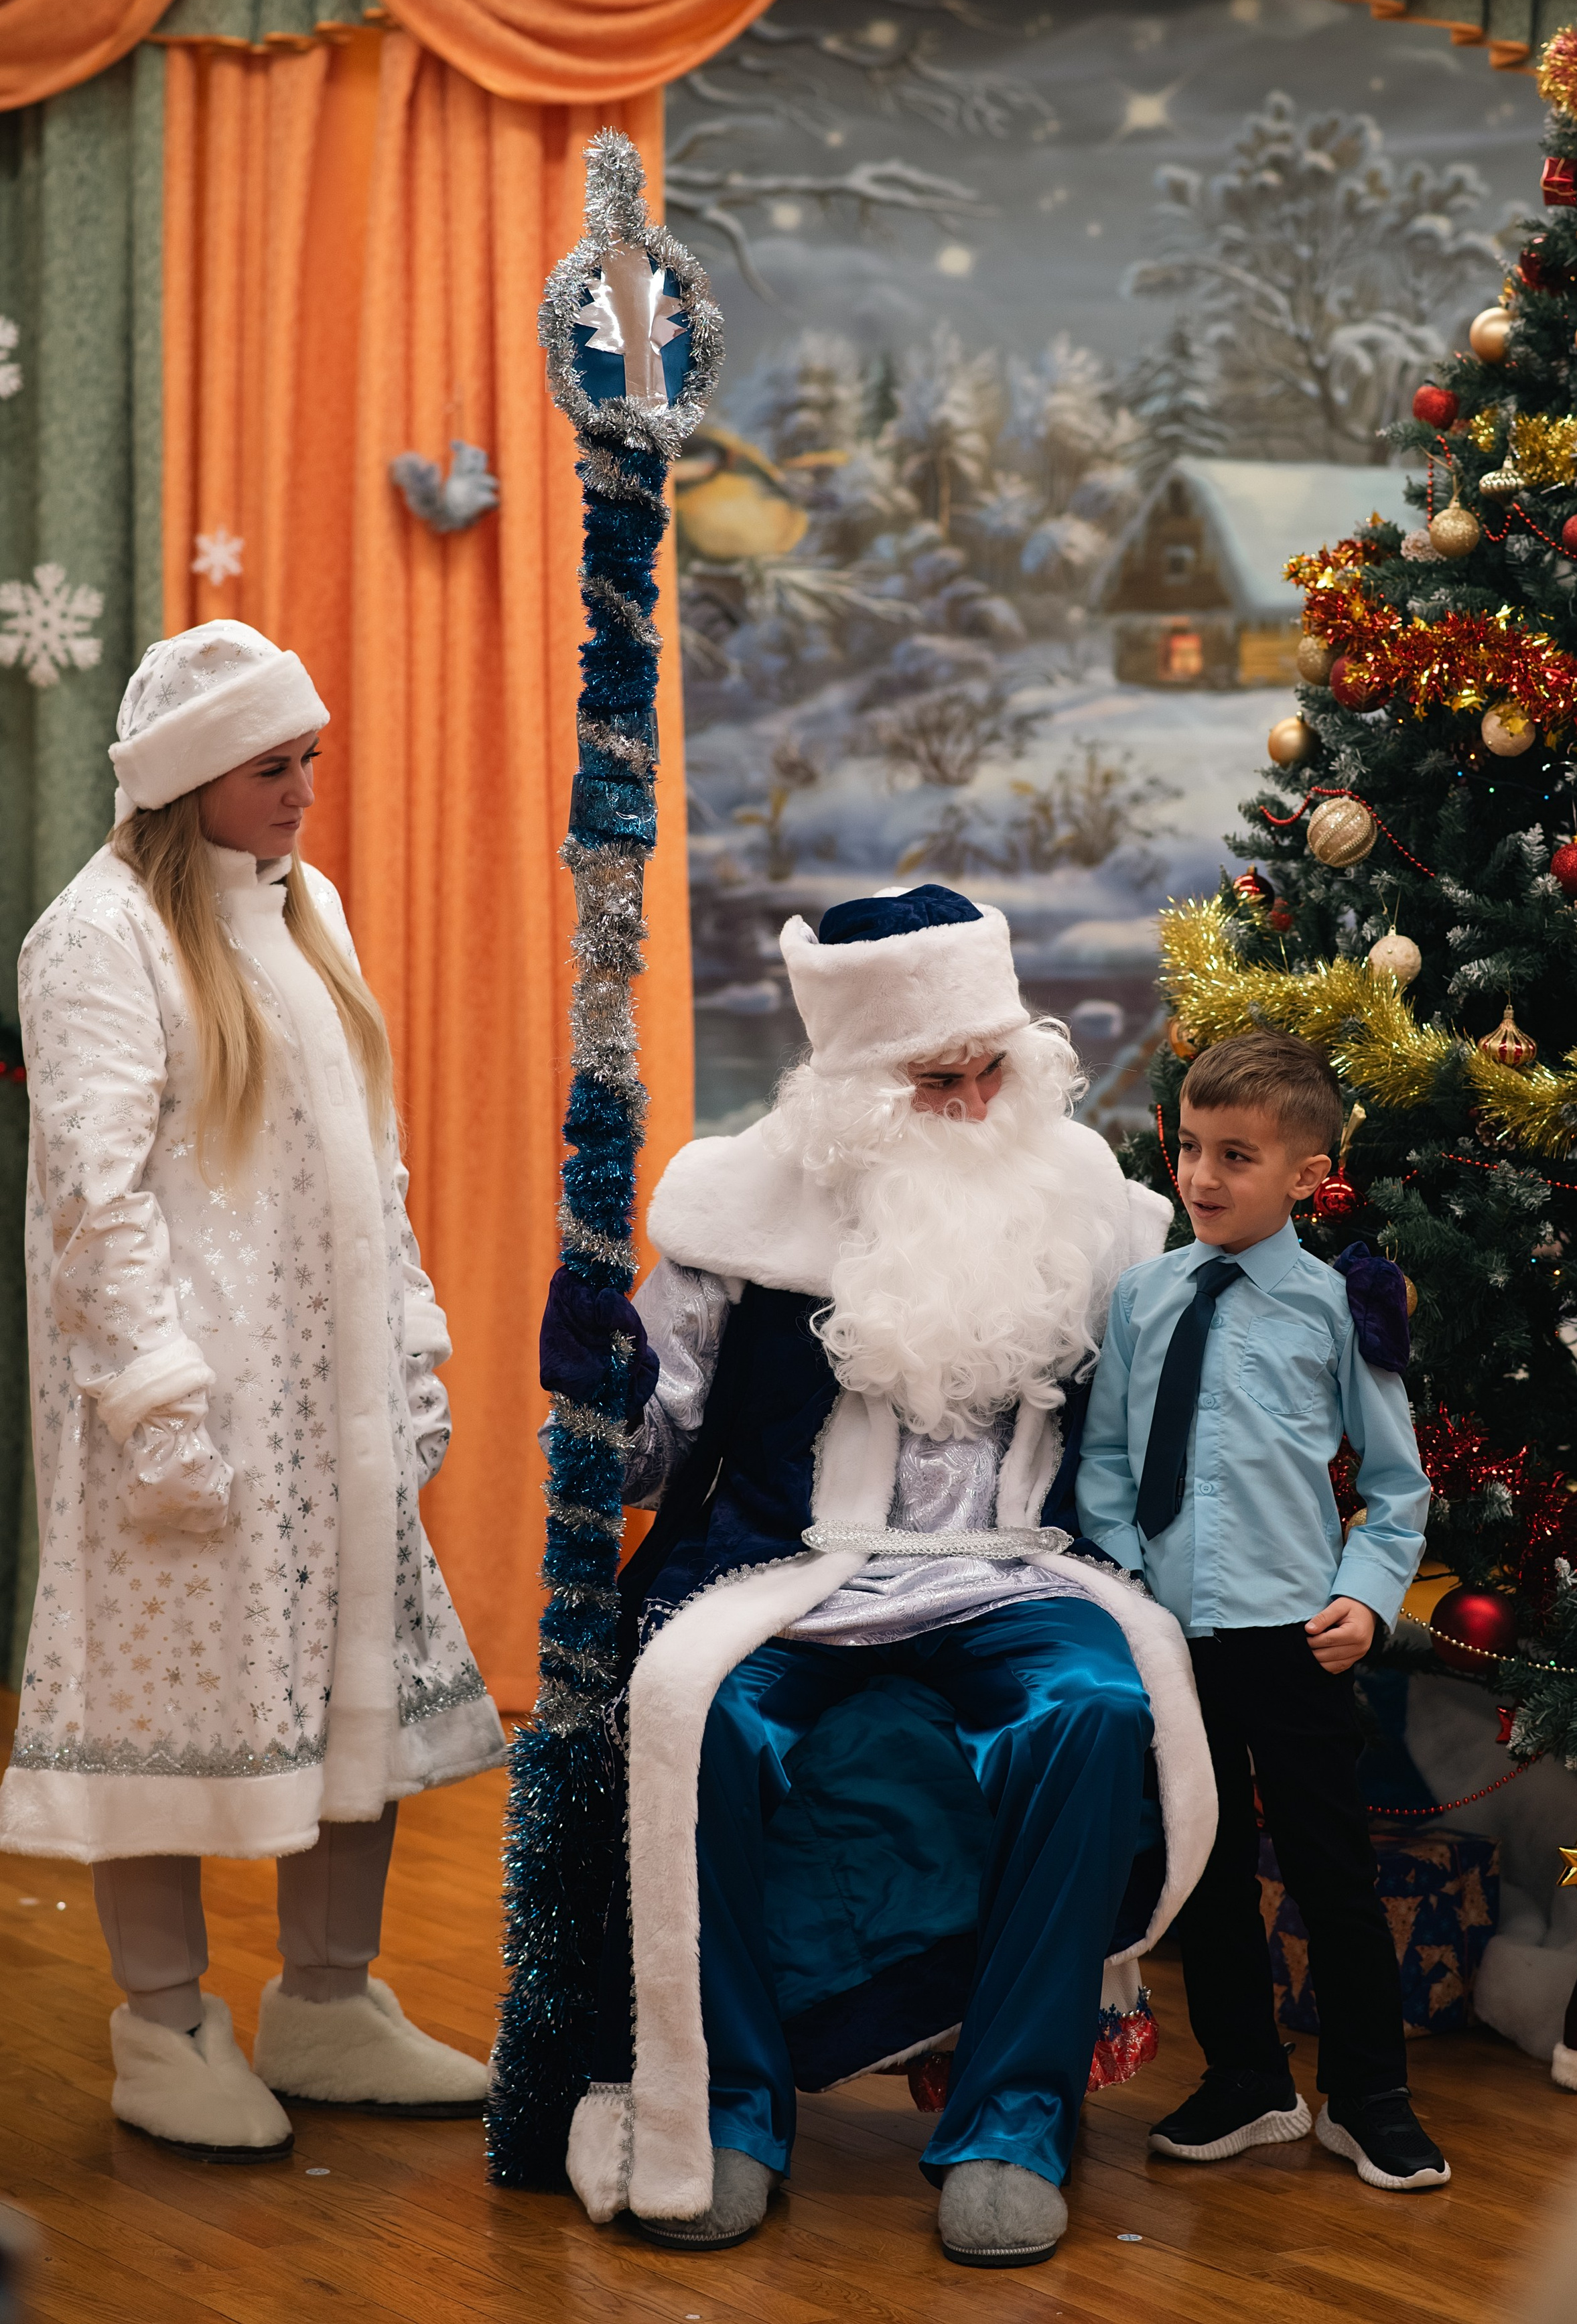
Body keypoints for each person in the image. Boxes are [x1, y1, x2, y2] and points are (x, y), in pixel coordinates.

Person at [541, 886, 1217, 2267]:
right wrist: (598, 1385)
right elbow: (644, 1461)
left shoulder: (1092, 1206)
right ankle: (728, 2107)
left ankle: (1011, 2119)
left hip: (1018, 1576)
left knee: (1092, 1715)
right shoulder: (737, 1214)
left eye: (990, 1065)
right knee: (701, 1719)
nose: (972, 1097)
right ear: (852, 1084)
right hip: (796, 1574)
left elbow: (1174, 1399)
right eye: (935, 1076)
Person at [0, 620, 507, 2160]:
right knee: (168, 1703)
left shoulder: (307, 911)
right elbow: (97, 1198)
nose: (302, 792)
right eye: (272, 767)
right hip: (187, 1414)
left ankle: (330, 1999)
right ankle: (162, 2022)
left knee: (354, 1682)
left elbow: (377, 1153)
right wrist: (158, 1398)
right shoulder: (98, 939)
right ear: (189, 782)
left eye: (309, 761)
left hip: (324, 1402)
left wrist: (409, 1339)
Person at [1077, 1028, 1446, 2191]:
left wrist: (1368, 1600)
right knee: (1210, 1868)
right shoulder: (1143, 1299)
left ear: (1304, 1174)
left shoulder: (1344, 1307)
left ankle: (1367, 2094)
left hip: (1296, 1640)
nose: (1200, 1177)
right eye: (1189, 1147)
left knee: (1331, 1869)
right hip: (1174, 1639)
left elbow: (1396, 1488)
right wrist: (1131, 1588)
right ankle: (1248, 2077)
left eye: (1235, 1156)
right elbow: (1103, 1464)